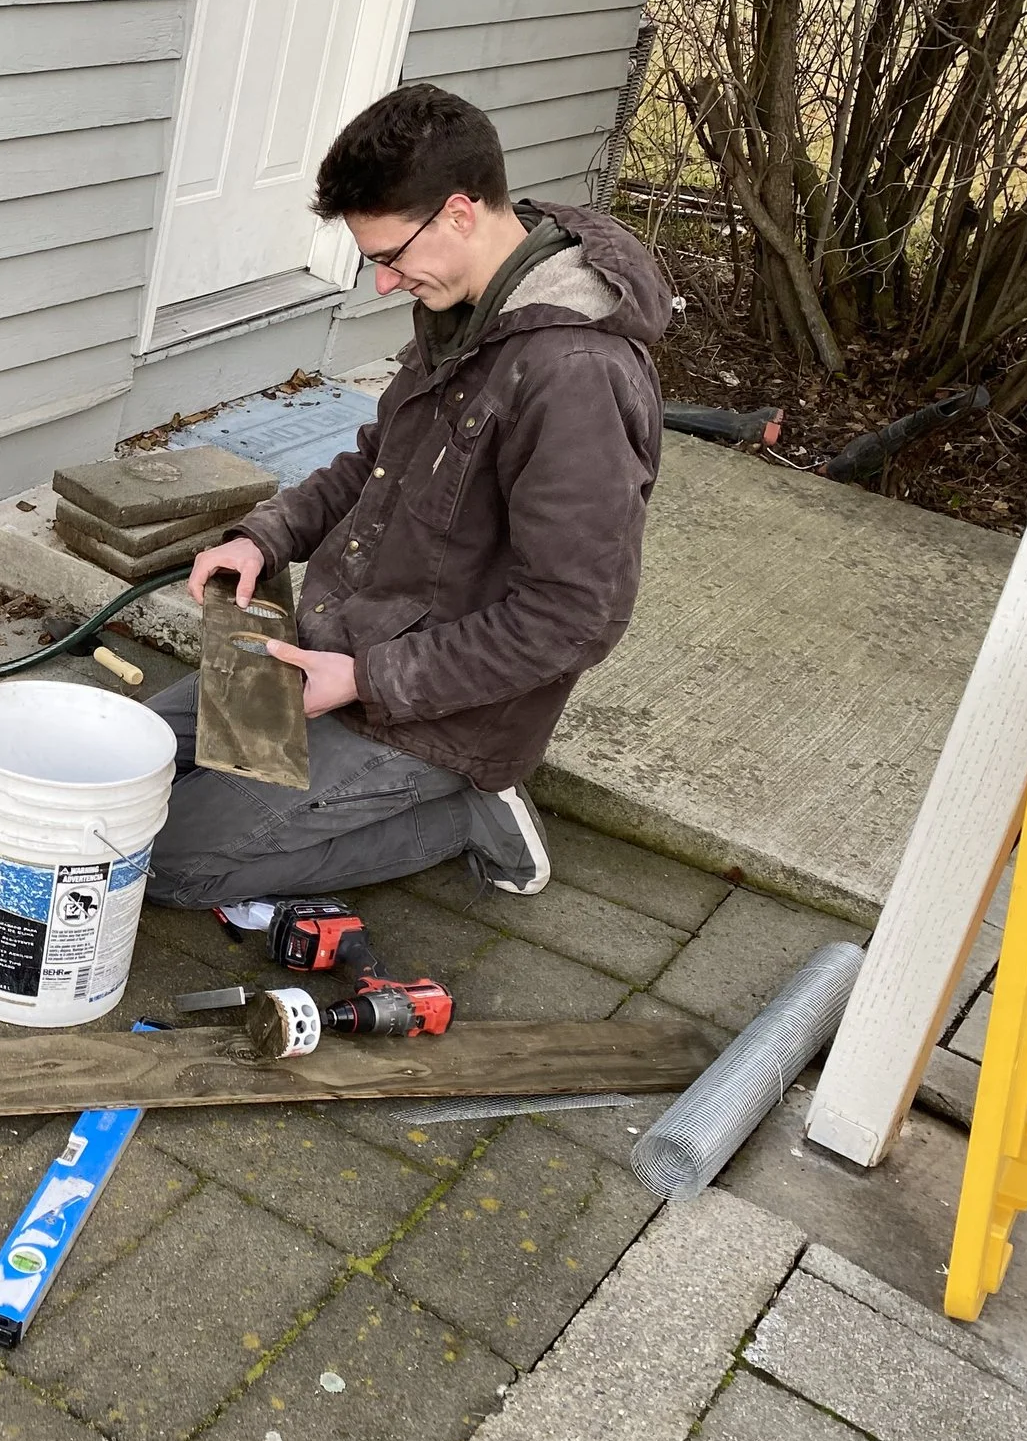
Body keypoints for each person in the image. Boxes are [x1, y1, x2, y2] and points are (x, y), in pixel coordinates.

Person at [143, 83, 670, 911]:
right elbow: (376, 459)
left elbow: (575, 617)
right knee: (133, 761)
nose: (383, 286)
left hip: (440, 715)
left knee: (166, 861)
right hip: (346, 645)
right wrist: (267, 535)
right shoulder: (467, 306)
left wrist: (365, 677)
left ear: (461, 212)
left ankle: (467, 813)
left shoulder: (573, 377)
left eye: (390, 257)